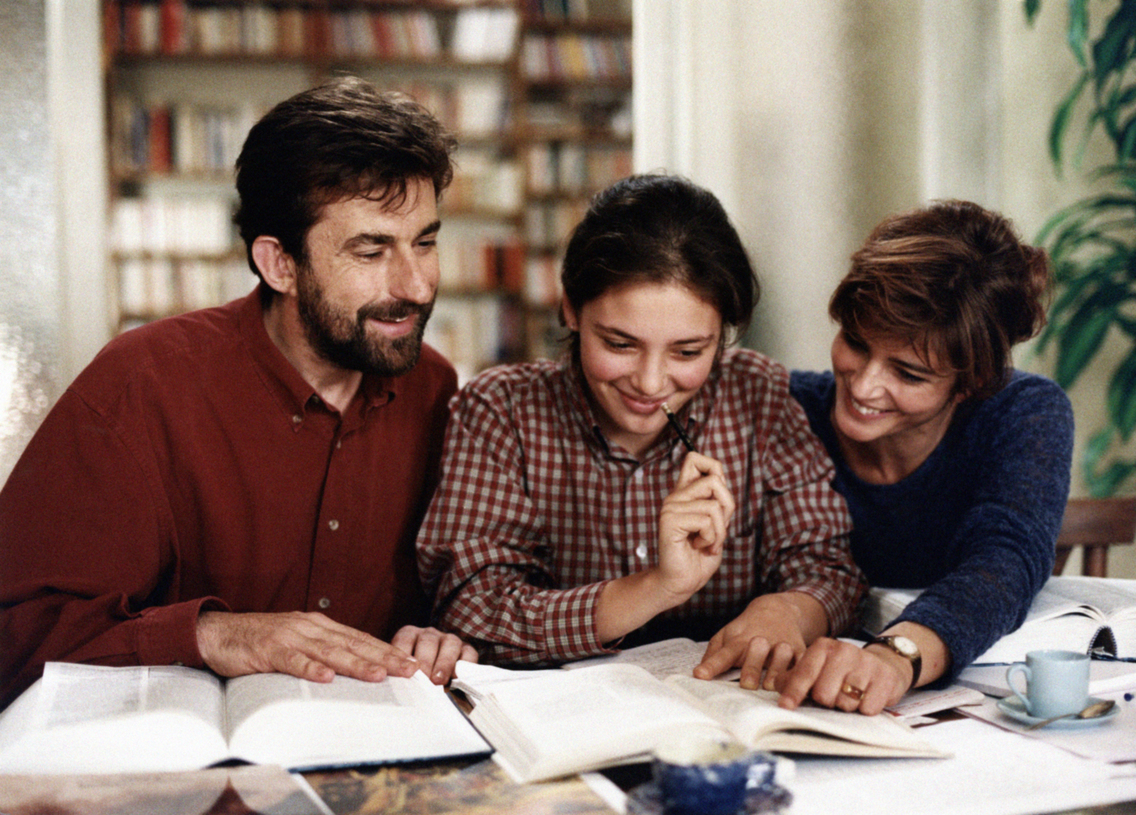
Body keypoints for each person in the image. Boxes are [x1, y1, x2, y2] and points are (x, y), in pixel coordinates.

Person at [0, 76, 477, 709]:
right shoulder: (140, 384)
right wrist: (214, 634)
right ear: (279, 264)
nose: (417, 286)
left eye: (426, 241)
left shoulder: (437, 388)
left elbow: (459, 588)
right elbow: (16, 628)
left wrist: (440, 636)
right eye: (371, 251)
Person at [416, 174, 867, 689]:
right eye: (620, 344)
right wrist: (657, 587)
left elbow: (829, 568)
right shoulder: (501, 409)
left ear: (723, 337)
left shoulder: (760, 396)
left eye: (688, 352)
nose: (651, 383)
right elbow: (471, 607)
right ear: (570, 308)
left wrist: (789, 611)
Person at [777, 200, 1074, 715]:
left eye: (909, 374)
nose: (865, 384)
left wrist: (896, 657)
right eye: (855, 342)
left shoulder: (1023, 411)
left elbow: (1003, 561)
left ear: (972, 384)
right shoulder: (782, 406)